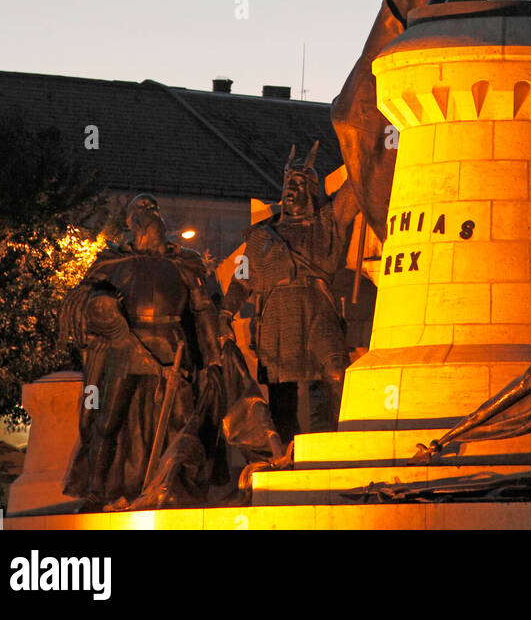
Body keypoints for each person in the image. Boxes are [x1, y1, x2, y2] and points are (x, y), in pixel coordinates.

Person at [61, 194, 225, 511]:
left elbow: (204, 311)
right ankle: (99, 488)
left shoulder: (185, 262)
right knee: (109, 419)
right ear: (129, 221)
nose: (148, 213)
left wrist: (214, 357)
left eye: (153, 209)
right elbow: (88, 303)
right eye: (140, 208)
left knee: (180, 419)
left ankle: (178, 484)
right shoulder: (110, 263)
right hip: (126, 345)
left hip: (172, 341)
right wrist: (93, 305)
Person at [221, 142, 358, 445]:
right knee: (282, 397)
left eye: (297, 184)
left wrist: (363, 145)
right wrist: (224, 313)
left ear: (310, 191)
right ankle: (286, 455)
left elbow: (356, 187)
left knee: (337, 374)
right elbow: (242, 279)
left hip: (316, 308)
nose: (290, 190)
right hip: (276, 316)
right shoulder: (261, 236)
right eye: (287, 184)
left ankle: (341, 444)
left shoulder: (327, 222)